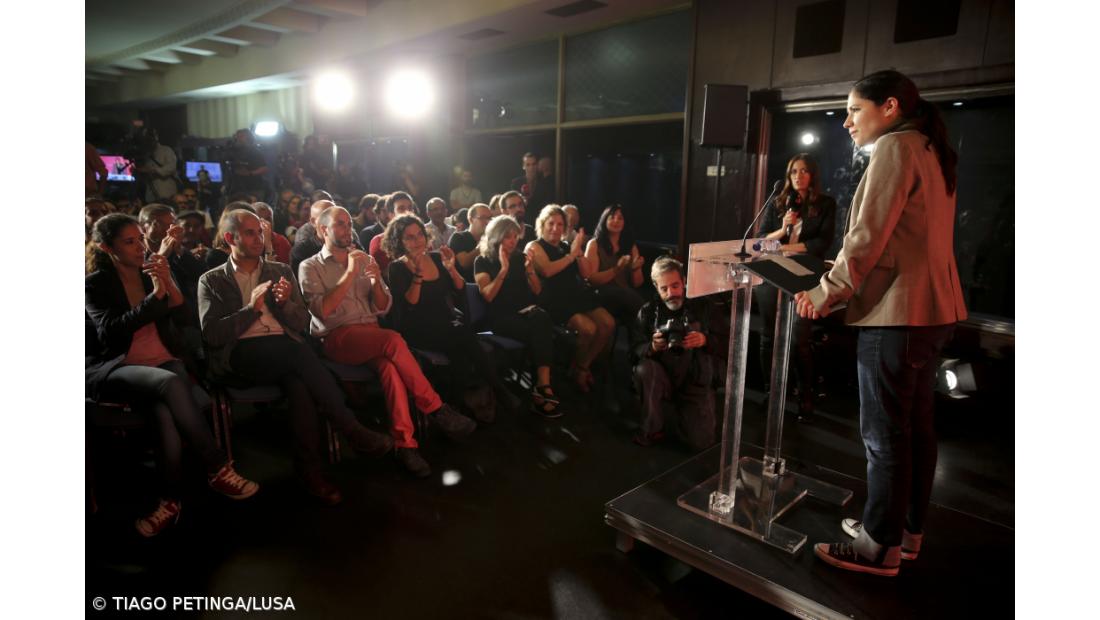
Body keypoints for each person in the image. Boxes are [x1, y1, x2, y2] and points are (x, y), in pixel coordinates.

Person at [793, 70, 967, 577]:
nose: (847, 121)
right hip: (932, 311)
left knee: (884, 435)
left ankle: (877, 547)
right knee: (916, 430)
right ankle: (904, 534)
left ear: (889, 107)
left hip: (898, 314)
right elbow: (904, 237)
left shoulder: (895, 147)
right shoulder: (930, 147)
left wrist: (825, 293)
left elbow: (867, 236)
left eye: (854, 110)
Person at [199, 209, 395, 504]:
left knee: (299, 383)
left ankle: (310, 472)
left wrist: (283, 305)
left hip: (285, 350)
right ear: (230, 238)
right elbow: (212, 335)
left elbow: (302, 322)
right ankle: (351, 428)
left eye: (260, 232)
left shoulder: (279, 271)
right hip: (241, 354)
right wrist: (251, 309)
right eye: (250, 233)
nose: (259, 238)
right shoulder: (212, 280)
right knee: (299, 354)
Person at [86, 214, 259, 537]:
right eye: (130, 242)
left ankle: (169, 501)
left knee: (164, 411)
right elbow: (111, 331)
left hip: (162, 359)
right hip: (118, 366)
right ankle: (216, 466)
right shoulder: (95, 284)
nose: (140, 246)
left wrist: (166, 280)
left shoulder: (151, 269)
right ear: (108, 248)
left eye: (140, 238)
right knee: (170, 382)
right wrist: (155, 295)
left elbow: (183, 315)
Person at [299, 206, 476, 478]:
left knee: (390, 370)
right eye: (340, 224)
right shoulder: (310, 266)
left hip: (371, 334)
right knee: (393, 340)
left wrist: (374, 283)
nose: (348, 229)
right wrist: (350, 273)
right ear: (323, 230)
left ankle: (406, 445)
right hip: (337, 337)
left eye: (349, 224)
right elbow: (322, 310)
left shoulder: (364, 259)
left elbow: (383, 308)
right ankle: (436, 408)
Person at [384, 214, 517, 424]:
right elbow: (410, 304)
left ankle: (457, 406)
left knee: (460, 352)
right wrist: (417, 274)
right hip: (417, 328)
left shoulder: (436, 258)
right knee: (463, 337)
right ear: (399, 241)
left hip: (445, 325)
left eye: (419, 235)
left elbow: (460, 288)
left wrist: (451, 268)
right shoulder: (397, 267)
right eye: (409, 237)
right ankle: (498, 390)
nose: (417, 240)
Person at [754, 153, 838, 417]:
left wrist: (785, 248)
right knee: (768, 336)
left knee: (799, 339)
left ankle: (805, 395)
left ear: (812, 175)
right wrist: (782, 230)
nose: (798, 176)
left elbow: (821, 243)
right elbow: (759, 240)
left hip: (805, 276)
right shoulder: (778, 202)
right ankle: (771, 392)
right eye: (793, 171)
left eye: (803, 171)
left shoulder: (825, 204)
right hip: (773, 273)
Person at [473, 216, 561, 417]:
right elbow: (488, 295)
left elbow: (537, 291)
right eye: (508, 237)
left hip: (525, 313)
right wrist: (503, 270)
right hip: (500, 318)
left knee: (541, 319)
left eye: (515, 236)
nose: (513, 241)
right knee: (542, 328)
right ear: (497, 237)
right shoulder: (483, 261)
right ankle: (543, 388)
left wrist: (530, 270)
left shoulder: (520, 258)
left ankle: (542, 387)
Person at [525, 204, 615, 393]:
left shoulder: (567, 246)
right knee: (588, 329)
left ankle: (581, 367)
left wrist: (579, 252)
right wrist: (571, 255)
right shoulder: (534, 245)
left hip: (576, 295)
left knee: (608, 323)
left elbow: (586, 273)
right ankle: (578, 370)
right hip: (553, 299)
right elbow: (547, 271)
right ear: (542, 224)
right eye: (551, 223)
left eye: (560, 224)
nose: (555, 228)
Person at [631, 257, 717, 450]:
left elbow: (729, 342)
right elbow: (633, 350)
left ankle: (683, 416)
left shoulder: (703, 306)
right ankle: (652, 428)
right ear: (656, 287)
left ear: (684, 281)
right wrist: (652, 347)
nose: (671, 293)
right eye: (664, 288)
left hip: (695, 380)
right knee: (644, 369)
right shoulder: (648, 312)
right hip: (661, 376)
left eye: (675, 286)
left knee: (700, 443)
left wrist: (704, 340)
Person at [584, 204, 646, 338]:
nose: (616, 221)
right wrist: (616, 269)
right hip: (601, 294)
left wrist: (636, 269)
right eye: (612, 217)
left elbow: (637, 283)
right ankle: (651, 325)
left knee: (634, 317)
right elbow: (591, 279)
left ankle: (641, 347)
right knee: (628, 297)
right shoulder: (594, 244)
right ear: (604, 220)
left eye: (620, 218)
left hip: (625, 296)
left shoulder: (630, 246)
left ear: (625, 223)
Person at [368, 192, 416, 275]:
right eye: (401, 208)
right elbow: (387, 276)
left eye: (410, 208)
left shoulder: (421, 237)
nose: (408, 212)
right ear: (391, 214)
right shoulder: (379, 242)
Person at [449, 203, 490, 282]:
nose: (487, 222)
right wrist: (484, 243)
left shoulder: (492, 238)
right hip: (468, 285)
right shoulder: (458, 237)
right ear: (471, 220)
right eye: (482, 218)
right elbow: (464, 263)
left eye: (489, 218)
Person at [135, 129, 179, 204]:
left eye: (149, 138)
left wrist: (153, 170)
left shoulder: (166, 150)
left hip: (166, 192)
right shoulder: (145, 154)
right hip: (151, 193)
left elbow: (171, 167)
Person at [227, 129, 269, 200]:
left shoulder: (255, 152)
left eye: (241, 136)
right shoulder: (234, 152)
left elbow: (264, 169)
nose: (238, 139)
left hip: (254, 189)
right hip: (237, 189)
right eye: (237, 136)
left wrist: (249, 173)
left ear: (249, 138)